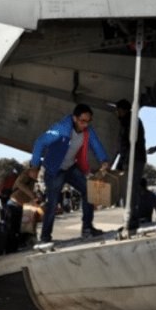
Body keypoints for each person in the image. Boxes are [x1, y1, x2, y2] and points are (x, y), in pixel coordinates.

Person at [31, 103, 109, 242]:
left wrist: (104, 160)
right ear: (74, 118)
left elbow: (96, 144)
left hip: (70, 168)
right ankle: (45, 237)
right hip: (54, 170)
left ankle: (87, 229)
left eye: (88, 121)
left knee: (89, 192)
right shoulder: (60, 129)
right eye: (82, 121)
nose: (85, 124)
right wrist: (35, 165)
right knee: (53, 203)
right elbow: (40, 142)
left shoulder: (88, 131)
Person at [114, 99, 147, 230]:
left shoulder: (130, 122)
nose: (116, 112)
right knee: (129, 191)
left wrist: (122, 163)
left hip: (134, 159)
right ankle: (132, 219)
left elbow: (128, 145)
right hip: (133, 159)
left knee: (130, 191)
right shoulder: (129, 121)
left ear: (123, 110)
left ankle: (132, 220)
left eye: (118, 110)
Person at [5, 166, 39, 252]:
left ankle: (17, 246)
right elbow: (20, 184)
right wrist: (32, 195)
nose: (37, 175)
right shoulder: (24, 176)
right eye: (36, 172)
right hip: (14, 204)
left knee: (20, 228)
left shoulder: (31, 180)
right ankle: (11, 249)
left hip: (21, 206)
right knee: (13, 229)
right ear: (31, 171)